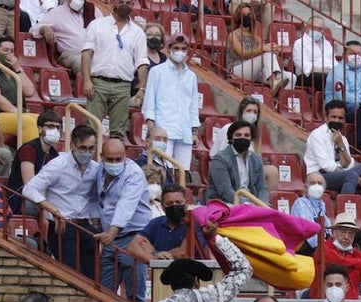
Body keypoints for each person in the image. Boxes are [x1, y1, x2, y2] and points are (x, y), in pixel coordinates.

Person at [23, 123, 101, 280]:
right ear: (72, 145)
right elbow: (29, 189)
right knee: (69, 277)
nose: (87, 153)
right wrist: (52, 210)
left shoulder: (95, 168)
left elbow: (94, 197)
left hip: (86, 226)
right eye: (83, 148)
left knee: (92, 279)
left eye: (91, 149)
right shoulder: (58, 165)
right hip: (62, 226)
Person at [96, 137, 153, 302]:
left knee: (135, 297)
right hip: (110, 238)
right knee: (105, 294)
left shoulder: (134, 173)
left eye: (118, 159)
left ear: (126, 156)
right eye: (110, 159)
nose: (114, 163)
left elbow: (125, 206)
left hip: (132, 237)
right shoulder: (100, 169)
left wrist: (111, 233)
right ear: (102, 156)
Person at [81, 0, 149, 140]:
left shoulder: (138, 32)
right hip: (98, 82)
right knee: (91, 128)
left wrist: (142, 87)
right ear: (112, 3)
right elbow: (86, 53)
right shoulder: (97, 25)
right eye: (121, 1)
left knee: (118, 132)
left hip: (123, 86)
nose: (125, 5)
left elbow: (142, 62)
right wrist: (87, 81)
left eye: (129, 2)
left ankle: (113, 161)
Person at [303, 100, 361, 197]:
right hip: (319, 175)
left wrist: (341, 145)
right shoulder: (317, 135)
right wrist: (352, 174)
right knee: (352, 176)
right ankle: (345, 207)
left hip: (340, 173)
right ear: (326, 118)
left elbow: (346, 163)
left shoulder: (342, 138)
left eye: (340, 118)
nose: (337, 121)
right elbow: (326, 166)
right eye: (333, 117)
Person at [142, 35, 199, 173]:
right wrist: (151, 127)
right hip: (163, 129)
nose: (180, 52)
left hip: (184, 130)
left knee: (182, 172)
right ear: (168, 49)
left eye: (183, 49)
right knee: (161, 170)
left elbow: (193, 106)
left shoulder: (191, 76)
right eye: (176, 48)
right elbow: (149, 102)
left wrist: (194, 131)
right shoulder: (157, 71)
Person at [227, 3, 293, 98]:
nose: (247, 17)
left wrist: (273, 49)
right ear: (238, 17)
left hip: (255, 71)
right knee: (266, 54)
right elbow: (243, 53)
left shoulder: (256, 38)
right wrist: (264, 49)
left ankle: (279, 104)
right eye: (244, 15)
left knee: (291, 77)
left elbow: (265, 50)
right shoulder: (233, 35)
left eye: (249, 15)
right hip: (237, 69)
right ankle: (274, 82)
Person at [0, 36, 38, 143]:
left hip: (17, 113)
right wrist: (18, 112)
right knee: (27, 122)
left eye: (12, 51)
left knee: (42, 121)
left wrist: (18, 69)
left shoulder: (13, 72)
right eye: (5, 50)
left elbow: (29, 92)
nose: (9, 53)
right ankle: (29, 157)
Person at [7, 109, 61, 213]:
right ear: (40, 129)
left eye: (57, 127)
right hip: (21, 199)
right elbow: (29, 185)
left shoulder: (54, 154)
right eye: (50, 126)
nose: (54, 130)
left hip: (43, 197)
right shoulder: (29, 149)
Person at [208, 119, 270, 205]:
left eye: (246, 135)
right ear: (230, 138)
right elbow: (225, 191)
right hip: (225, 204)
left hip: (252, 204)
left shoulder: (256, 159)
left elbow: (262, 188)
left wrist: (262, 204)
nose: (242, 138)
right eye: (238, 135)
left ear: (251, 138)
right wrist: (247, 205)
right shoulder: (220, 159)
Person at [132, 185, 189, 259]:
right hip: (158, 269)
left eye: (178, 202)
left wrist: (155, 253)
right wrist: (153, 259)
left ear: (186, 203)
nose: (174, 206)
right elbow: (133, 244)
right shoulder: (156, 223)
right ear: (162, 206)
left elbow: (182, 252)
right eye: (169, 203)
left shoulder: (193, 224)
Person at [33, 0, 89, 74]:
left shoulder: (93, 11)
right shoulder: (56, 13)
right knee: (84, 63)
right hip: (71, 54)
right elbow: (34, 30)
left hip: (94, 54)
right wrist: (44, 28)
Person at [325, 41, 361, 119]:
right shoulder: (338, 71)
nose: (356, 57)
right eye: (352, 54)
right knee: (360, 109)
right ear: (344, 55)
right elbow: (343, 97)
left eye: (359, 54)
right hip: (340, 105)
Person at [292, 17, 334, 92]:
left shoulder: (327, 44)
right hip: (306, 76)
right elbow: (306, 67)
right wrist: (329, 71)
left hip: (328, 74)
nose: (317, 31)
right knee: (327, 78)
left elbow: (334, 63)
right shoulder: (300, 43)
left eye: (320, 29)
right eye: (314, 28)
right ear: (307, 28)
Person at [290, 172, 330, 251]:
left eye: (319, 183)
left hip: (322, 246)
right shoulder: (300, 203)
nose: (316, 186)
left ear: (324, 188)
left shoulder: (322, 205)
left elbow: (329, 230)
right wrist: (326, 249)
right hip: (308, 248)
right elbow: (309, 231)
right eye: (312, 183)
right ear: (306, 187)